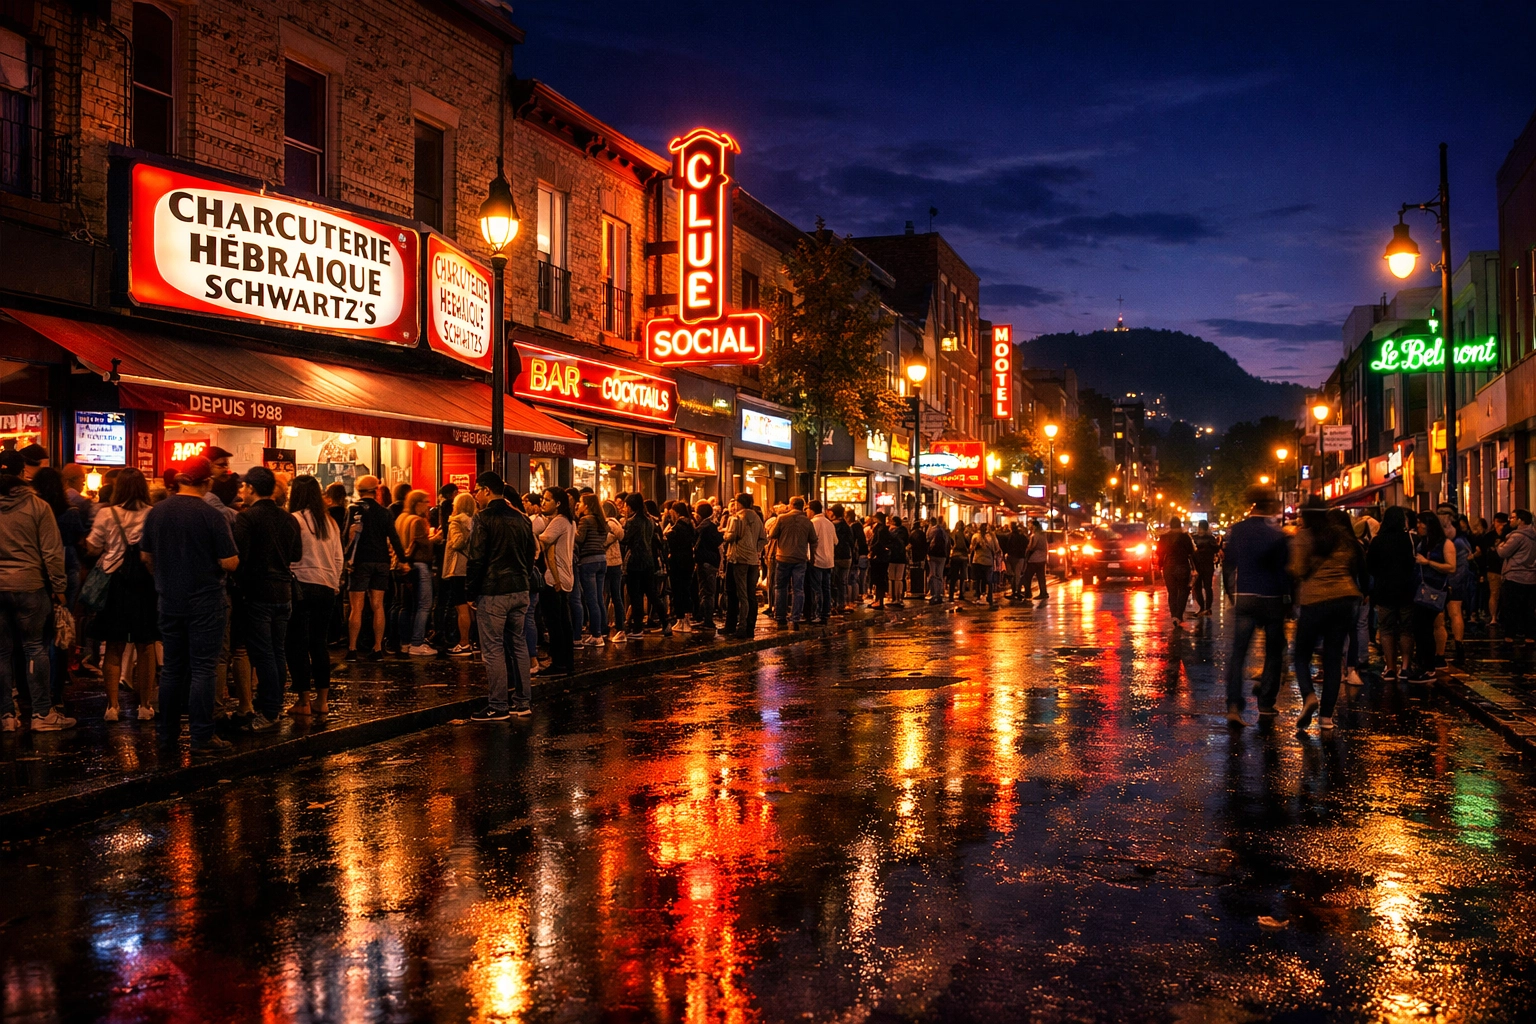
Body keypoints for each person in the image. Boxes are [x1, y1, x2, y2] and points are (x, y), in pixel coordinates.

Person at [140, 456, 239, 752]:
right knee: (203, 668)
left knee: (172, 668)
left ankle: (167, 734)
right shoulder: (211, 515)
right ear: (206, 482)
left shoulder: (156, 512)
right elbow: (229, 561)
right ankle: (201, 736)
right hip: (206, 600)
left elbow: (145, 556)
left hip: (169, 599)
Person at [0, 449, 72, 732]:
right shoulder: (38, 506)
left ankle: (5, 716)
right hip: (31, 585)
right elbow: (52, 552)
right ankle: (42, 714)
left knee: (1, 653)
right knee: (34, 648)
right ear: (22, 474)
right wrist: (59, 587)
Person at [84, 467, 158, 721]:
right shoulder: (152, 514)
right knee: (146, 645)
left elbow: (93, 547)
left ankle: (112, 707)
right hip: (144, 585)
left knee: (113, 646)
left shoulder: (107, 513)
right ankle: (145, 705)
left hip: (114, 584)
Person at [232, 465, 302, 732]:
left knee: (263, 654)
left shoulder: (247, 518)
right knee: (277, 651)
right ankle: (273, 705)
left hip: (258, 591)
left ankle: (270, 711)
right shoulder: (288, 519)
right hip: (284, 591)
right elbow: (296, 555)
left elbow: (241, 557)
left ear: (251, 488)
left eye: (244, 487)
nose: (241, 491)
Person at [1289, 499, 1363, 732]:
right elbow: (1355, 564)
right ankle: (1326, 718)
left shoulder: (1304, 537)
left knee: (1301, 655)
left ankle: (1309, 695)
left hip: (1315, 600)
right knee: (1332, 660)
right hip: (1344, 600)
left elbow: (1298, 570)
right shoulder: (1343, 537)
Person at [465, 472, 535, 720]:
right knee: (518, 644)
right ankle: (523, 702)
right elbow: (530, 555)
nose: (474, 495)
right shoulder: (522, 518)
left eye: (477, 490)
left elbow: (476, 559)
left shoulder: (483, 519)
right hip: (520, 588)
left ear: (486, 490)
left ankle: (498, 705)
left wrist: (471, 592)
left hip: (494, 590)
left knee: (493, 648)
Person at [1223, 488, 1290, 725]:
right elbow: (1283, 571)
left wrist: (1232, 594)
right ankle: (1265, 703)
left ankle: (1233, 704)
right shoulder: (1277, 535)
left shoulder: (1238, 530)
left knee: (1238, 653)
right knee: (1273, 652)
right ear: (1268, 506)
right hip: (1271, 598)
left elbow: (1228, 565)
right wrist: (1288, 600)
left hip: (1246, 596)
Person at [285, 475, 343, 716]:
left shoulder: (294, 520)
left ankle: (303, 701)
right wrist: (335, 582)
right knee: (319, 643)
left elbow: (290, 555)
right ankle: (323, 700)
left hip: (302, 586)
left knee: (297, 643)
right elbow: (339, 557)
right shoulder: (329, 521)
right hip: (327, 587)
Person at [345, 475, 404, 661]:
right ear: (376, 490)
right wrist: (403, 559)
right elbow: (394, 537)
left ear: (358, 490)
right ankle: (377, 648)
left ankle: (353, 649)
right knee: (378, 606)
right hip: (381, 562)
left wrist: (345, 559)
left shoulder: (353, 509)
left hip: (360, 561)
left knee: (357, 607)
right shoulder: (385, 512)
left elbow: (345, 535)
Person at [1368, 506, 1419, 682]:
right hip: (1406, 590)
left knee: (1387, 629)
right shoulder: (1410, 539)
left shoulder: (1377, 541)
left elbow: (1371, 567)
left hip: (1384, 590)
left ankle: (1390, 667)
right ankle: (1405, 667)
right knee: (1406, 628)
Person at [1409, 509, 1456, 681]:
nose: (1419, 526)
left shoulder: (1445, 544)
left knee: (1425, 628)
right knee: (1420, 628)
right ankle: (1424, 664)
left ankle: (1428, 667)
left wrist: (1428, 562)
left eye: (1423, 523)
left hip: (1434, 591)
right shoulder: (1423, 543)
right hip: (1420, 590)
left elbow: (1451, 567)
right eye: (1418, 522)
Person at [394, 489, 437, 656]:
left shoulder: (401, 519)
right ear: (417, 503)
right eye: (426, 502)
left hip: (404, 566)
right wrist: (435, 539)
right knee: (424, 605)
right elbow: (422, 545)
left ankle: (404, 642)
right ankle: (417, 642)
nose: (428, 505)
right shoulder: (417, 521)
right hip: (419, 565)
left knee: (405, 606)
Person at [538, 487, 576, 674]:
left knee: (555, 624)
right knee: (563, 623)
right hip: (566, 577)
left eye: (547, 499)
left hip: (555, 579)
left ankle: (559, 663)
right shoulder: (569, 522)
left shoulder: (558, 522)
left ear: (558, 503)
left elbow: (543, 541)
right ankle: (567, 662)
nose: (542, 502)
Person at [768, 496, 817, 629]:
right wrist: (812, 558)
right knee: (798, 589)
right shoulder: (807, 522)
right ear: (802, 507)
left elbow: (772, 534)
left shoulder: (782, 518)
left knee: (780, 588)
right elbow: (813, 540)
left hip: (783, 557)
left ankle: (780, 618)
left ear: (791, 505)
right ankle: (795, 619)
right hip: (800, 559)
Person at [438, 492, 477, 656]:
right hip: (470, 568)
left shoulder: (455, 522)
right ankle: (474, 641)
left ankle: (464, 642)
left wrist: (454, 542)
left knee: (460, 606)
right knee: (471, 607)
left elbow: (458, 542)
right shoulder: (475, 522)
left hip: (457, 567)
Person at [723, 494, 764, 639]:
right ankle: (750, 627)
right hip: (752, 560)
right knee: (750, 594)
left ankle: (740, 627)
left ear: (740, 504)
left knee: (739, 594)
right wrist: (755, 550)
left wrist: (724, 534)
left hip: (738, 559)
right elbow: (763, 538)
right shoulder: (757, 518)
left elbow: (730, 536)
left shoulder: (736, 518)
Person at [574, 494, 610, 646]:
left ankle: (596, 635)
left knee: (591, 600)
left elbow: (579, 539)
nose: (578, 505)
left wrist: (572, 527)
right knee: (598, 599)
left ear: (587, 505)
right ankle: (601, 630)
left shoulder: (585, 520)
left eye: (581, 502)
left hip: (588, 561)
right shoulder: (602, 521)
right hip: (602, 560)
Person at [1497, 509, 1536, 649]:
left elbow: (1503, 552)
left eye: (1513, 518)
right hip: (1531, 577)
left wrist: (1500, 545)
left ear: (1521, 520)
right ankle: (1530, 638)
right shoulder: (1533, 535)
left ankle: (1509, 639)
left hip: (1514, 576)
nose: (1510, 520)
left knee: (1510, 609)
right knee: (1528, 610)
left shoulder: (1516, 536)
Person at [666, 500, 698, 631]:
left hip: (677, 561)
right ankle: (687, 620)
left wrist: (667, 535)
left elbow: (671, 543)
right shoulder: (690, 524)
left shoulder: (677, 527)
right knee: (686, 589)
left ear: (676, 512)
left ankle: (680, 619)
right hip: (688, 560)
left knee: (678, 590)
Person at [1446, 516, 1475, 666]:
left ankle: (1459, 646)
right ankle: (1459, 646)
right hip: (1456, 582)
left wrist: (1450, 583)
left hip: (1453, 583)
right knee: (1455, 613)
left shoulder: (1457, 543)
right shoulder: (1462, 541)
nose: (1445, 530)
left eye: (1448, 527)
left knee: (1455, 612)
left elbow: (1460, 567)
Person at [1158, 518, 1196, 625]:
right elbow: (1191, 553)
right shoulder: (1185, 537)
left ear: (1170, 525)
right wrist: (1195, 568)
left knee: (1172, 592)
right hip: (1182, 566)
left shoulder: (1164, 538)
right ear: (1180, 525)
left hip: (1168, 567)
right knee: (1183, 591)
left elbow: (1159, 553)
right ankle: (1179, 615)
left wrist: (1160, 566)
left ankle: (1174, 615)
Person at [694, 502, 722, 632]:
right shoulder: (711, 526)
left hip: (706, 562)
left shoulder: (703, 527)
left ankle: (708, 620)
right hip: (712, 561)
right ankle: (705, 617)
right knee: (707, 591)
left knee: (707, 592)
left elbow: (698, 546)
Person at [808, 499, 836, 625]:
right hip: (829, 560)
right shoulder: (829, 523)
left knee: (817, 588)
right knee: (826, 588)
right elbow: (836, 541)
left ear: (812, 509)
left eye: (807, 509)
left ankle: (818, 614)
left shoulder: (814, 522)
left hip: (817, 560)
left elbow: (811, 541)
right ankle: (826, 613)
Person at [1191, 520, 1221, 616]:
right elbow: (1216, 549)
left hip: (1197, 566)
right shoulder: (1211, 538)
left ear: (1199, 527)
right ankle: (1208, 608)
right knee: (1208, 587)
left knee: (1197, 587)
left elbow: (1190, 551)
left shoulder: (1194, 538)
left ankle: (1202, 607)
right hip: (1208, 566)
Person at [969, 522, 1001, 607]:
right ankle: (979, 596)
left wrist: (990, 546)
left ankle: (989, 596)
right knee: (979, 579)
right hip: (978, 560)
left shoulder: (991, 537)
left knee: (988, 580)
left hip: (987, 561)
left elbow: (996, 548)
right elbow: (971, 548)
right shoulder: (976, 536)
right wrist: (976, 546)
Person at [886, 514, 909, 608]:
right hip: (902, 557)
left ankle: (892, 597)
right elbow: (907, 542)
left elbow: (888, 542)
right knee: (899, 578)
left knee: (891, 578)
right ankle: (899, 598)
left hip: (892, 557)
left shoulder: (891, 532)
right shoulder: (904, 532)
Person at [926, 516, 951, 604]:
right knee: (940, 574)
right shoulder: (943, 531)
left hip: (932, 555)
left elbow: (927, 540)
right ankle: (940, 593)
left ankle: (933, 593)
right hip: (942, 556)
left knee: (933, 573)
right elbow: (948, 544)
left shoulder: (931, 530)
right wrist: (947, 557)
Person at [1023, 520, 1049, 600]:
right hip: (1042, 558)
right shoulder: (1043, 535)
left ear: (1034, 526)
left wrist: (1027, 549)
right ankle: (1043, 592)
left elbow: (1032, 547)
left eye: (1030, 525)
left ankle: (1028, 593)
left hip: (1034, 559)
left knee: (1027, 576)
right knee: (1041, 577)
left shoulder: (1035, 535)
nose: (1029, 526)